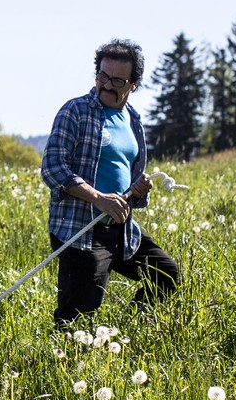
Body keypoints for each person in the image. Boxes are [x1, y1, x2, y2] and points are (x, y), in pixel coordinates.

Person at [41, 39, 181, 326]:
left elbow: (130, 184)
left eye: (117, 80)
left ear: (134, 85)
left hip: (123, 231)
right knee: (78, 316)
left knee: (166, 274)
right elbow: (53, 168)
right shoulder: (75, 111)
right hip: (80, 232)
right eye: (102, 75)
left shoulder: (134, 121)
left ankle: (128, 332)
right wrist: (98, 197)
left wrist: (138, 190)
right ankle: (65, 357)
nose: (107, 84)